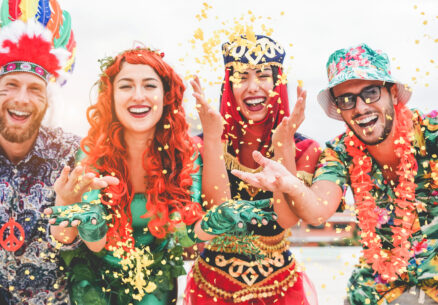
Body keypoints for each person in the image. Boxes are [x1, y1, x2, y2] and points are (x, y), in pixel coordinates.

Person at [45, 46, 275, 305]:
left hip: (157, 286)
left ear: (166, 95)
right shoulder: (92, 152)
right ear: (110, 96)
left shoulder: (185, 154)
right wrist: (90, 223)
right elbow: (94, 245)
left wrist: (219, 220)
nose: (138, 96)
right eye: (126, 86)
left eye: (149, 85)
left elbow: (188, 234)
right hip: (94, 288)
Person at [233, 43, 438, 305]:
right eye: (347, 99)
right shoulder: (340, 151)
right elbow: (317, 210)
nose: (361, 107)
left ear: (394, 94)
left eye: (371, 93)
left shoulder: (431, 134)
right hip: (376, 288)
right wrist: (290, 184)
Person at [184, 34, 321, 305]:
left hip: (282, 290)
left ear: (278, 81)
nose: (252, 86)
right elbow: (218, 215)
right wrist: (212, 140)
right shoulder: (200, 144)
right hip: (212, 289)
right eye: (241, 76)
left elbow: (285, 220)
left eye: (263, 75)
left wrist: (282, 147)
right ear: (228, 83)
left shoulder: (304, 148)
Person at [0, 1, 79, 304]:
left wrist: (68, 208)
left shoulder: (72, 155)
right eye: (10, 85)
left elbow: (83, 245)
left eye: (35, 88)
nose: (21, 99)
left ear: (49, 100)